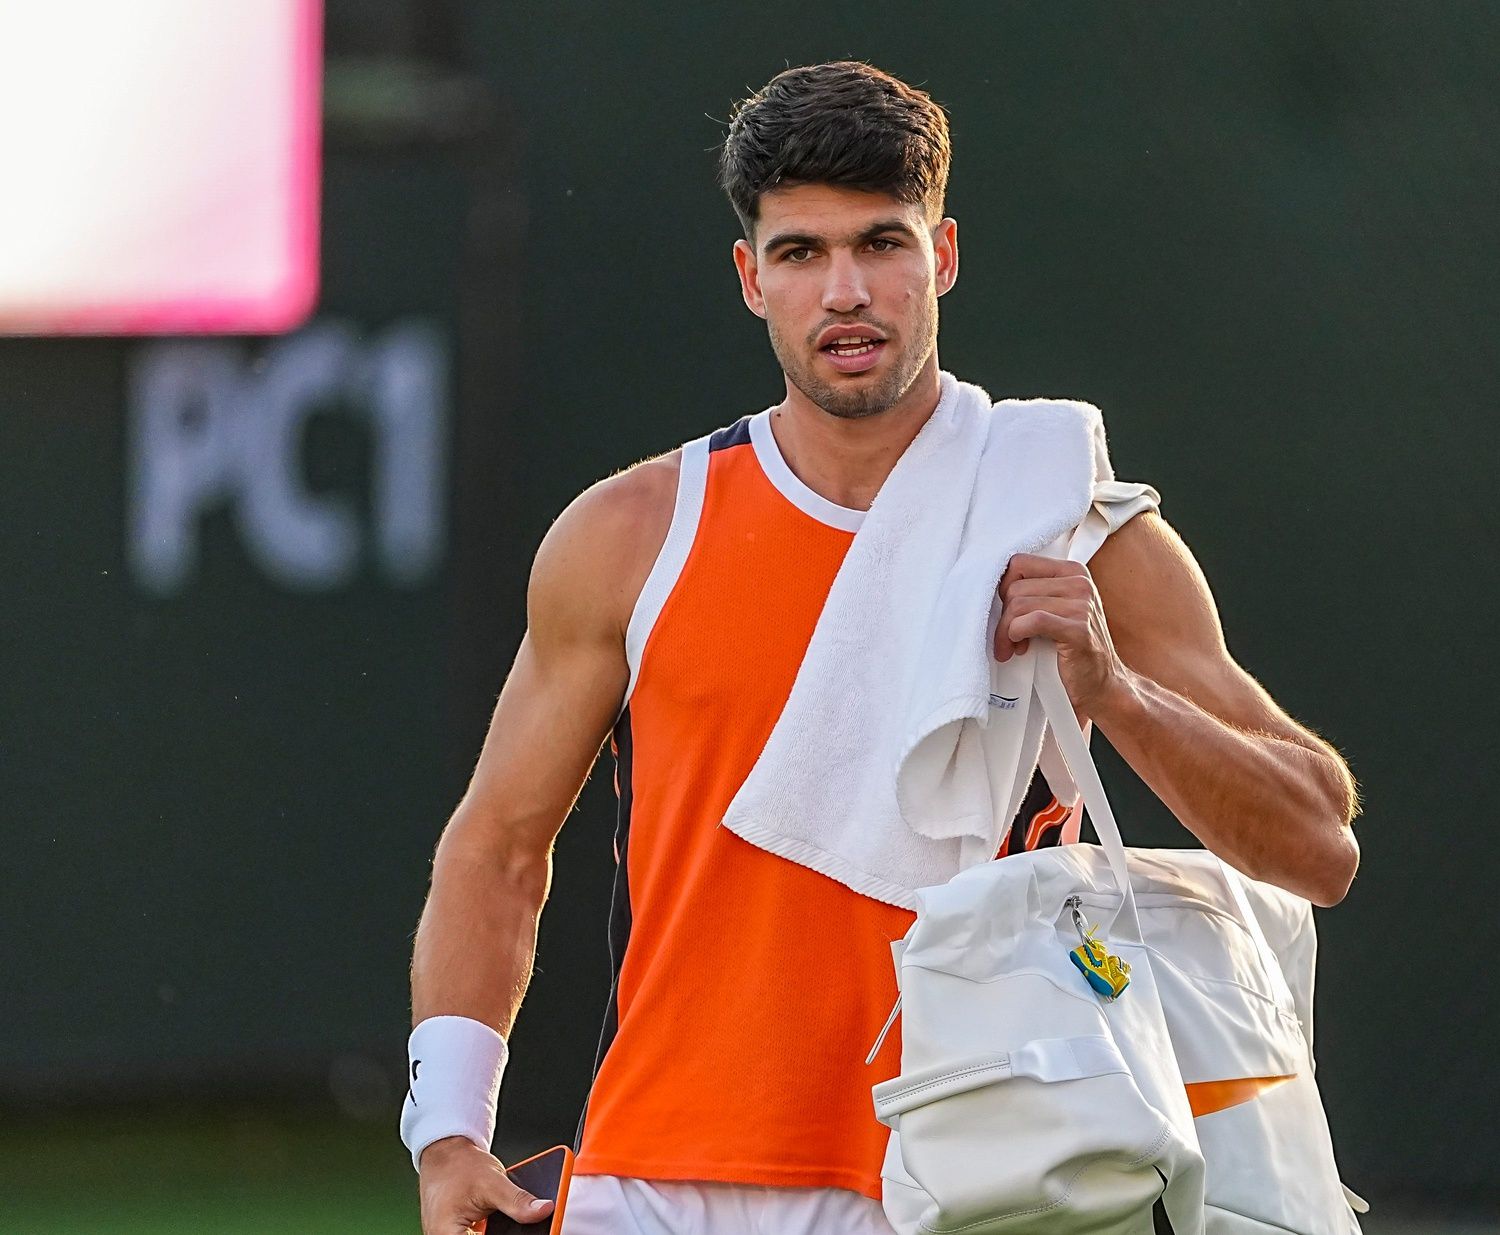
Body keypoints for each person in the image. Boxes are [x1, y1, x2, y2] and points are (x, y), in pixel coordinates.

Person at [403, 60, 1361, 1235]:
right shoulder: (631, 533)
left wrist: (1114, 692)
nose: (846, 291)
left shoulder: (1068, 518)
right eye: (803, 253)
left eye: (882, 244)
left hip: (970, 1180)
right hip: (652, 1178)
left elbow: (1318, 845)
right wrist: (447, 1132)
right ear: (752, 279)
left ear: (941, 257)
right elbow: (496, 846)